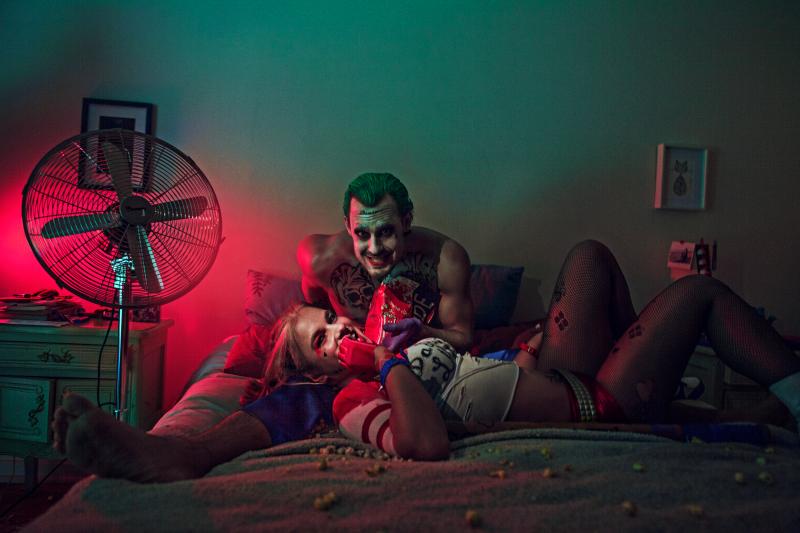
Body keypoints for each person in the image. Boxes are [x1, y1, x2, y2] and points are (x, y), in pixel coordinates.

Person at [52, 241, 800, 482]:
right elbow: (233, 430)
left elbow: (476, 351)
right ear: (313, 371)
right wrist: (168, 450)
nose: (337, 333)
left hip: (553, 367)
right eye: (321, 340)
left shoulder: (405, 336)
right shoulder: (341, 395)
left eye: (331, 322)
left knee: (591, 257)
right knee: (698, 293)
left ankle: (702, 382)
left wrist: (515, 342)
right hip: (590, 398)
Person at [296, 172, 473, 352]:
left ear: (406, 222)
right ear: (348, 226)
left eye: (386, 232)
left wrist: (424, 333)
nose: (374, 249)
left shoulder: (446, 259)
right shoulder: (320, 261)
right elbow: (313, 314)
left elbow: (464, 337)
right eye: (362, 233)